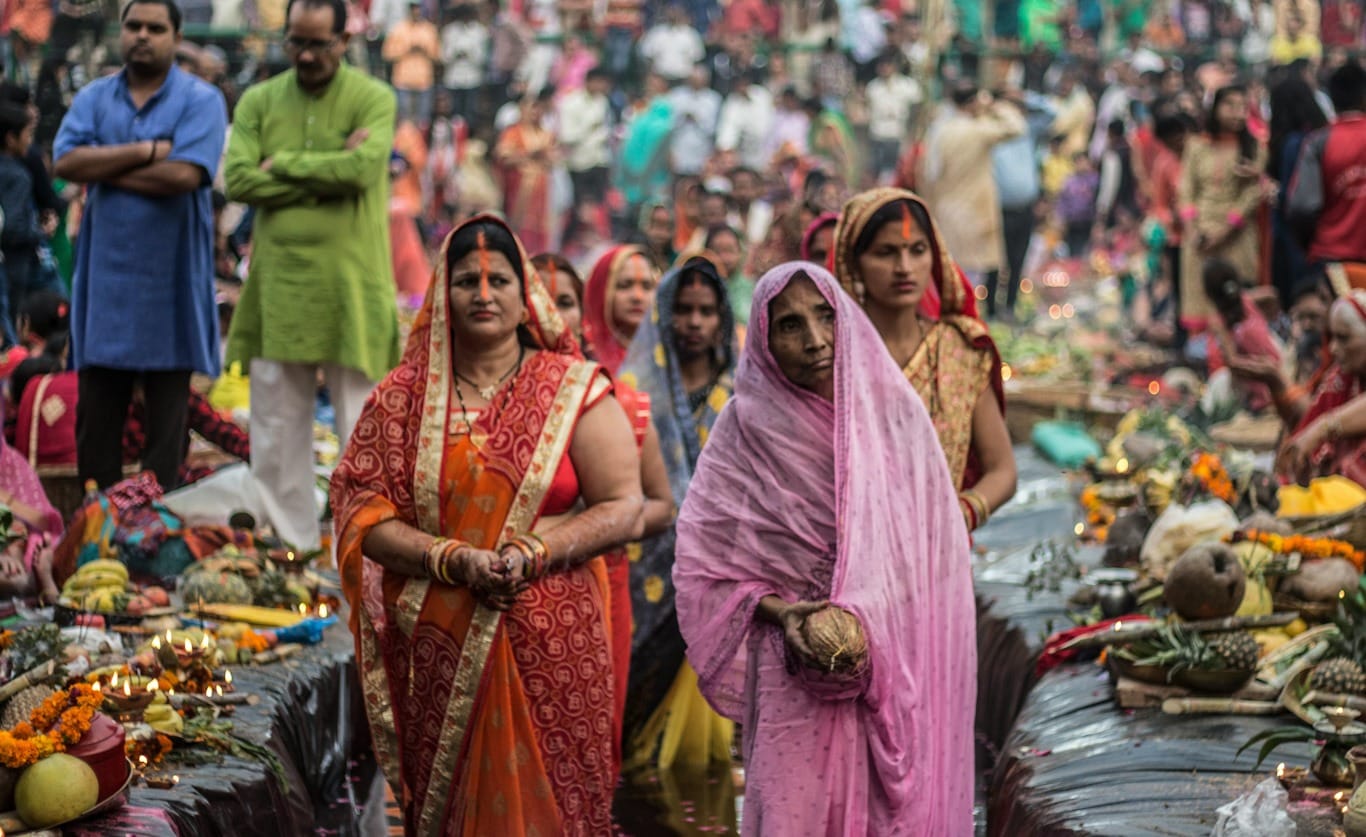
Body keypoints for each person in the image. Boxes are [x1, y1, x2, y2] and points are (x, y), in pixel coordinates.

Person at [331, 215, 646, 833]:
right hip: (441, 633)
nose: (482, 294)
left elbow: (623, 505)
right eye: (465, 280)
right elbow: (360, 511)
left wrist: (534, 551)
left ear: (523, 292)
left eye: (498, 279)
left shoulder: (571, 388)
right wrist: (453, 559)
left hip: (552, 628)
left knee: (557, 800)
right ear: (440, 295)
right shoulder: (402, 397)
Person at [672, 262, 975, 834]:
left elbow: (931, 549)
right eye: (788, 325)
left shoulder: (893, 418)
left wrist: (870, 611)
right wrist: (787, 615)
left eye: (824, 316)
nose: (813, 339)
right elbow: (705, 569)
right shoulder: (743, 431)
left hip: (890, 662)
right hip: (792, 670)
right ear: (761, 339)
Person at [224, 0, 399, 550]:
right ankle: (292, 546)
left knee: (363, 423)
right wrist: (326, 172)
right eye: (295, 42)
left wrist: (285, 164)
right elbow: (238, 181)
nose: (303, 55)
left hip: (353, 285)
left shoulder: (373, 98)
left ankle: (369, 547)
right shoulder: (259, 100)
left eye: (317, 44)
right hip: (281, 284)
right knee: (275, 425)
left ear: (344, 41)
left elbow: (362, 169)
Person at [53, 0, 227, 492]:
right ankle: (95, 537)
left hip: (171, 286)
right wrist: (147, 150)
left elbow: (186, 175)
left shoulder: (201, 101)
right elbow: (65, 162)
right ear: (121, 32)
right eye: (134, 26)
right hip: (107, 287)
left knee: (166, 434)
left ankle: (158, 536)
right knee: (97, 425)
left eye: (155, 27)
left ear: (176, 36)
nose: (142, 36)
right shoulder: (94, 97)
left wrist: (104, 167)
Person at [833, 189, 1016, 530]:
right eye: (885, 253)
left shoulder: (960, 349)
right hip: (850, 552)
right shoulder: (834, 355)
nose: (904, 268)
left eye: (917, 251)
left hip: (941, 555)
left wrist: (962, 513)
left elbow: (1002, 469)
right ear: (853, 262)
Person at [617, 255, 738, 770]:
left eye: (706, 311)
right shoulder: (637, 390)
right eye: (683, 310)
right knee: (634, 728)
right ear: (664, 315)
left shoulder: (742, 393)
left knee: (694, 757)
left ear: (723, 319)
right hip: (645, 568)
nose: (693, 323)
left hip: (717, 573)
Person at [917, 85, 1026, 303]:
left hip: (945, 212)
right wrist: (993, 105)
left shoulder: (939, 130)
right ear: (973, 102)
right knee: (969, 283)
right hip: (973, 214)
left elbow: (927, 176)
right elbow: (1017, 127)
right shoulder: (976, 131)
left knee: (948, 275)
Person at [1178, 85, 1270, 328]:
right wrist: (1191, 230)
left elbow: (1253, 194)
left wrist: (1226, 230)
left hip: (1236, 236)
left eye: (1243, 107)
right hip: (1199, 237)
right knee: (1201, 303)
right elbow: (1186, 189)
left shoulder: (1255, 147)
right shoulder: (1197, 146)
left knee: (1235, 308)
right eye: (1231, 106)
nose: (1238, 113)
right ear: (1215, 108)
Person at [1288, 61, 1366, 293]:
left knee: (1339, 325)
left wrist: (1309, 244)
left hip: (1333, 259)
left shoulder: (1319, 141)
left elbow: (1302, 206)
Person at [1279, 290, 1366, 485]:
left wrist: (1323, 428)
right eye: (1331, 337)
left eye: (1344, 338)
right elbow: (1306, 427)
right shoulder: (1341, 380)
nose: (1333, 348)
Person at [494, 90, 557, 255]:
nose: (535, 113)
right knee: (519, 226)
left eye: (538, 108)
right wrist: (530, 155)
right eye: (531, 108)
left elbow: (552, 159)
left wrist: (541, 158)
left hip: (541, 187)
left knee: (540, 226)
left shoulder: (545, 133)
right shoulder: (513, 132)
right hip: (520, 186)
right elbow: (503, 157)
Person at [582, 244, 659, 374]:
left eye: (647, 286)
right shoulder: (583, 355)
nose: (637, 297)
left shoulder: (666, 354)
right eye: (625, 285)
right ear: (601, 291)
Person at [382, 1, 439, 126]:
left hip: (424, 80)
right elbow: (387, 54)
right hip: (403, 80)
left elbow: (437, 56)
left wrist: (424, 51)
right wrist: (407, 50)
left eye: (418, 8)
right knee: (405, 122)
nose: (416, 11)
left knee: (423, 122)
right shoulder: (398, 29)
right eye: (413, 8)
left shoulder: (429, 30)